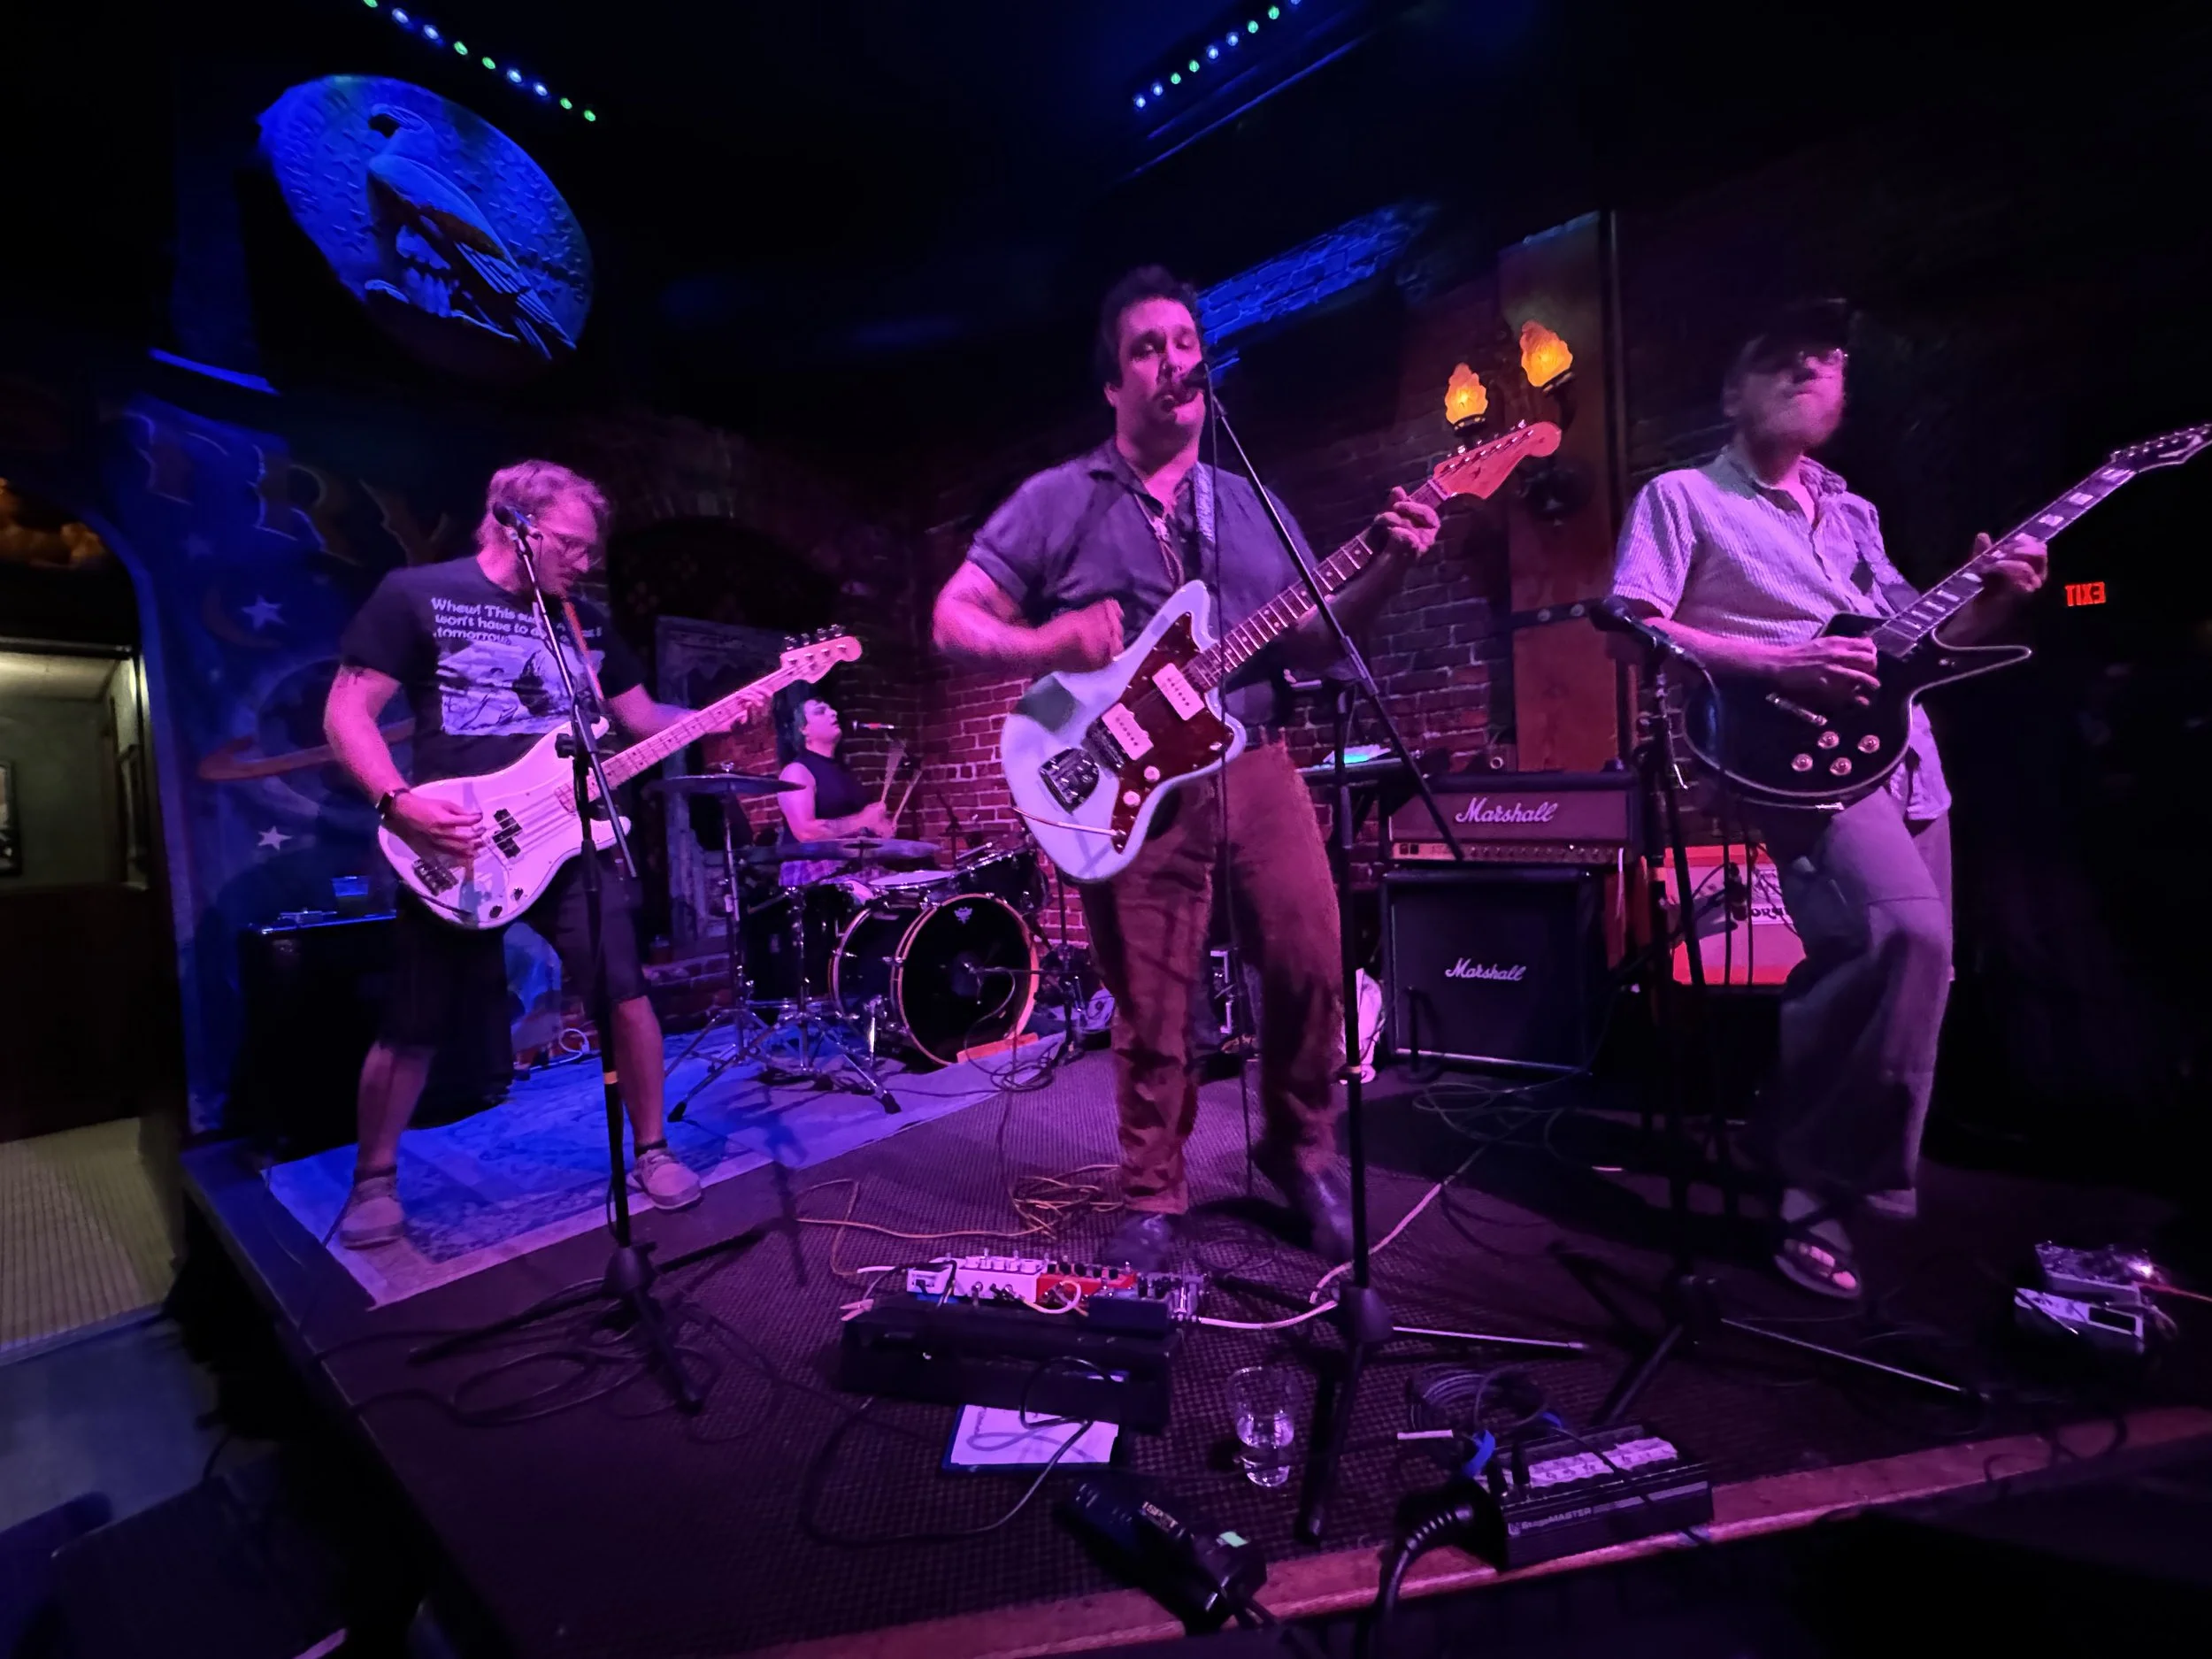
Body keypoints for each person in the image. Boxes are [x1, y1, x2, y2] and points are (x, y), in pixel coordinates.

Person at [930, 265, 1440, 1267]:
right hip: (1130, 787)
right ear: (1114, 386)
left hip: (1252, 756)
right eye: (1145, 349)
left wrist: (1390, 559)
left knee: (1310, 957)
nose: (1172, 361)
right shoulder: (1055, 502)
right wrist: (1048, 645)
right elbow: (953, 619)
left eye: (1183, 342)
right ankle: (1154, 1196)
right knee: (1155, 1001)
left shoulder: (1250, 502)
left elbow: (1310, 640)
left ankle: (1301, 1153)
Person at [1608, 302, 2047, 1299]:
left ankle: (1795, 1144)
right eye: (1783, 356)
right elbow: (1630, 627)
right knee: (1908, 936)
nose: (1813, 368)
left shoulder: (1855, 514)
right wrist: (1781, 664)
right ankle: (1816, 1185)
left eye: (1829, 357)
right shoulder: (1682, 497)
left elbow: (1920, 648)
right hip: (1788, 754)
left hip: (1904, 759)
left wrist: (2000, 593)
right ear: (1733, 390)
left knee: (1917, 965)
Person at [324, 459, 755, 1249]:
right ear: (514, 522)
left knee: (625, 992)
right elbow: (347, 710)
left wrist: (716, 716)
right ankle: (374, 1178)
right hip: (459, 834)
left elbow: (637, 720)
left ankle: (651, 1149)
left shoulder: (577, 622)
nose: (585, 564)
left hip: (574, 833)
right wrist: (398, 801)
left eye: (591, 551)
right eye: (573, 545)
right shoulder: (417, 595)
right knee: (414, 1017)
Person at [771, 689, 895, 887]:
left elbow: (855, 827)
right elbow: (806, 832)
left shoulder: (844, 772)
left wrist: (878, 829)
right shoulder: (797, 771)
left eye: (832, 710)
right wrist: (863, 820)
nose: (833, 713)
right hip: (813, 874)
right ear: (804, 729)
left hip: (853, 867)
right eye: (821, 711)